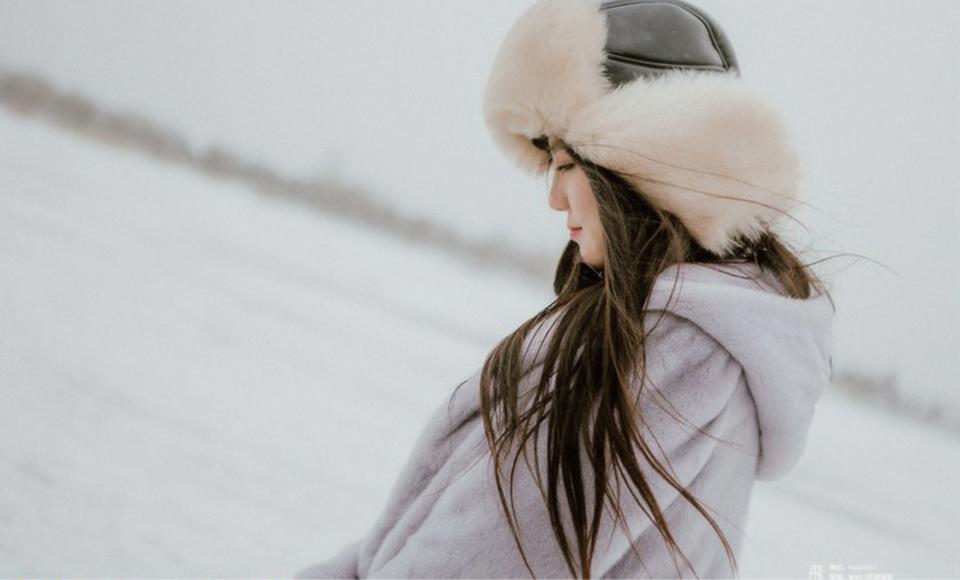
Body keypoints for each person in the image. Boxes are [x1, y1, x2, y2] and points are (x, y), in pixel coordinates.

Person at [295, 0, 835, 577]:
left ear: (638, 164)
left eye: (567, 160)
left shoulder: (665, 349)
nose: (553, 195)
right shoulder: (705, 332)